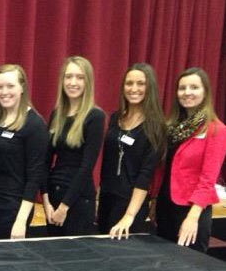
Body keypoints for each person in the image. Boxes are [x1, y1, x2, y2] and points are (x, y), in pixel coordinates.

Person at [156, 67, 226, 252]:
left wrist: (192, 217)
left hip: (191, 211)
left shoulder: (216, 130)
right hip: (165, 207)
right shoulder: (172, 127)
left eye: (194, 87)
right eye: (182, 88)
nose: (187, 92)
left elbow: (207, 180)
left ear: (205, 92)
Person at [0, 64, 49, 240]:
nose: (4, 92)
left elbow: (35, 176)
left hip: (11, 210)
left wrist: (20, 220)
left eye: (10, 86)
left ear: (22, 88)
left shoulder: (35, 124)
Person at [98, 63, 166, 239]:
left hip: (129, 204)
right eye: (129, 83)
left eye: (140, 83)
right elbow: (107, 162)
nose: (134, 88)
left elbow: (145, 175)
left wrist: (129, 216)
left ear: (149, 87)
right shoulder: (115, 118)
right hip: (107, 199)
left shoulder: (155, 126)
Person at [42, 56, 105, 236]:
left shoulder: (95, 116)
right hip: (53, 198)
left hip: (77, 201)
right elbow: (45, 161)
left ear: (88, 82)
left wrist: (64, 207)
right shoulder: (57, 114)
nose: (73, 82)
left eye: (79, 77)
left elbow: (86, 167)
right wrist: (46, 201)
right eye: (68, 77)